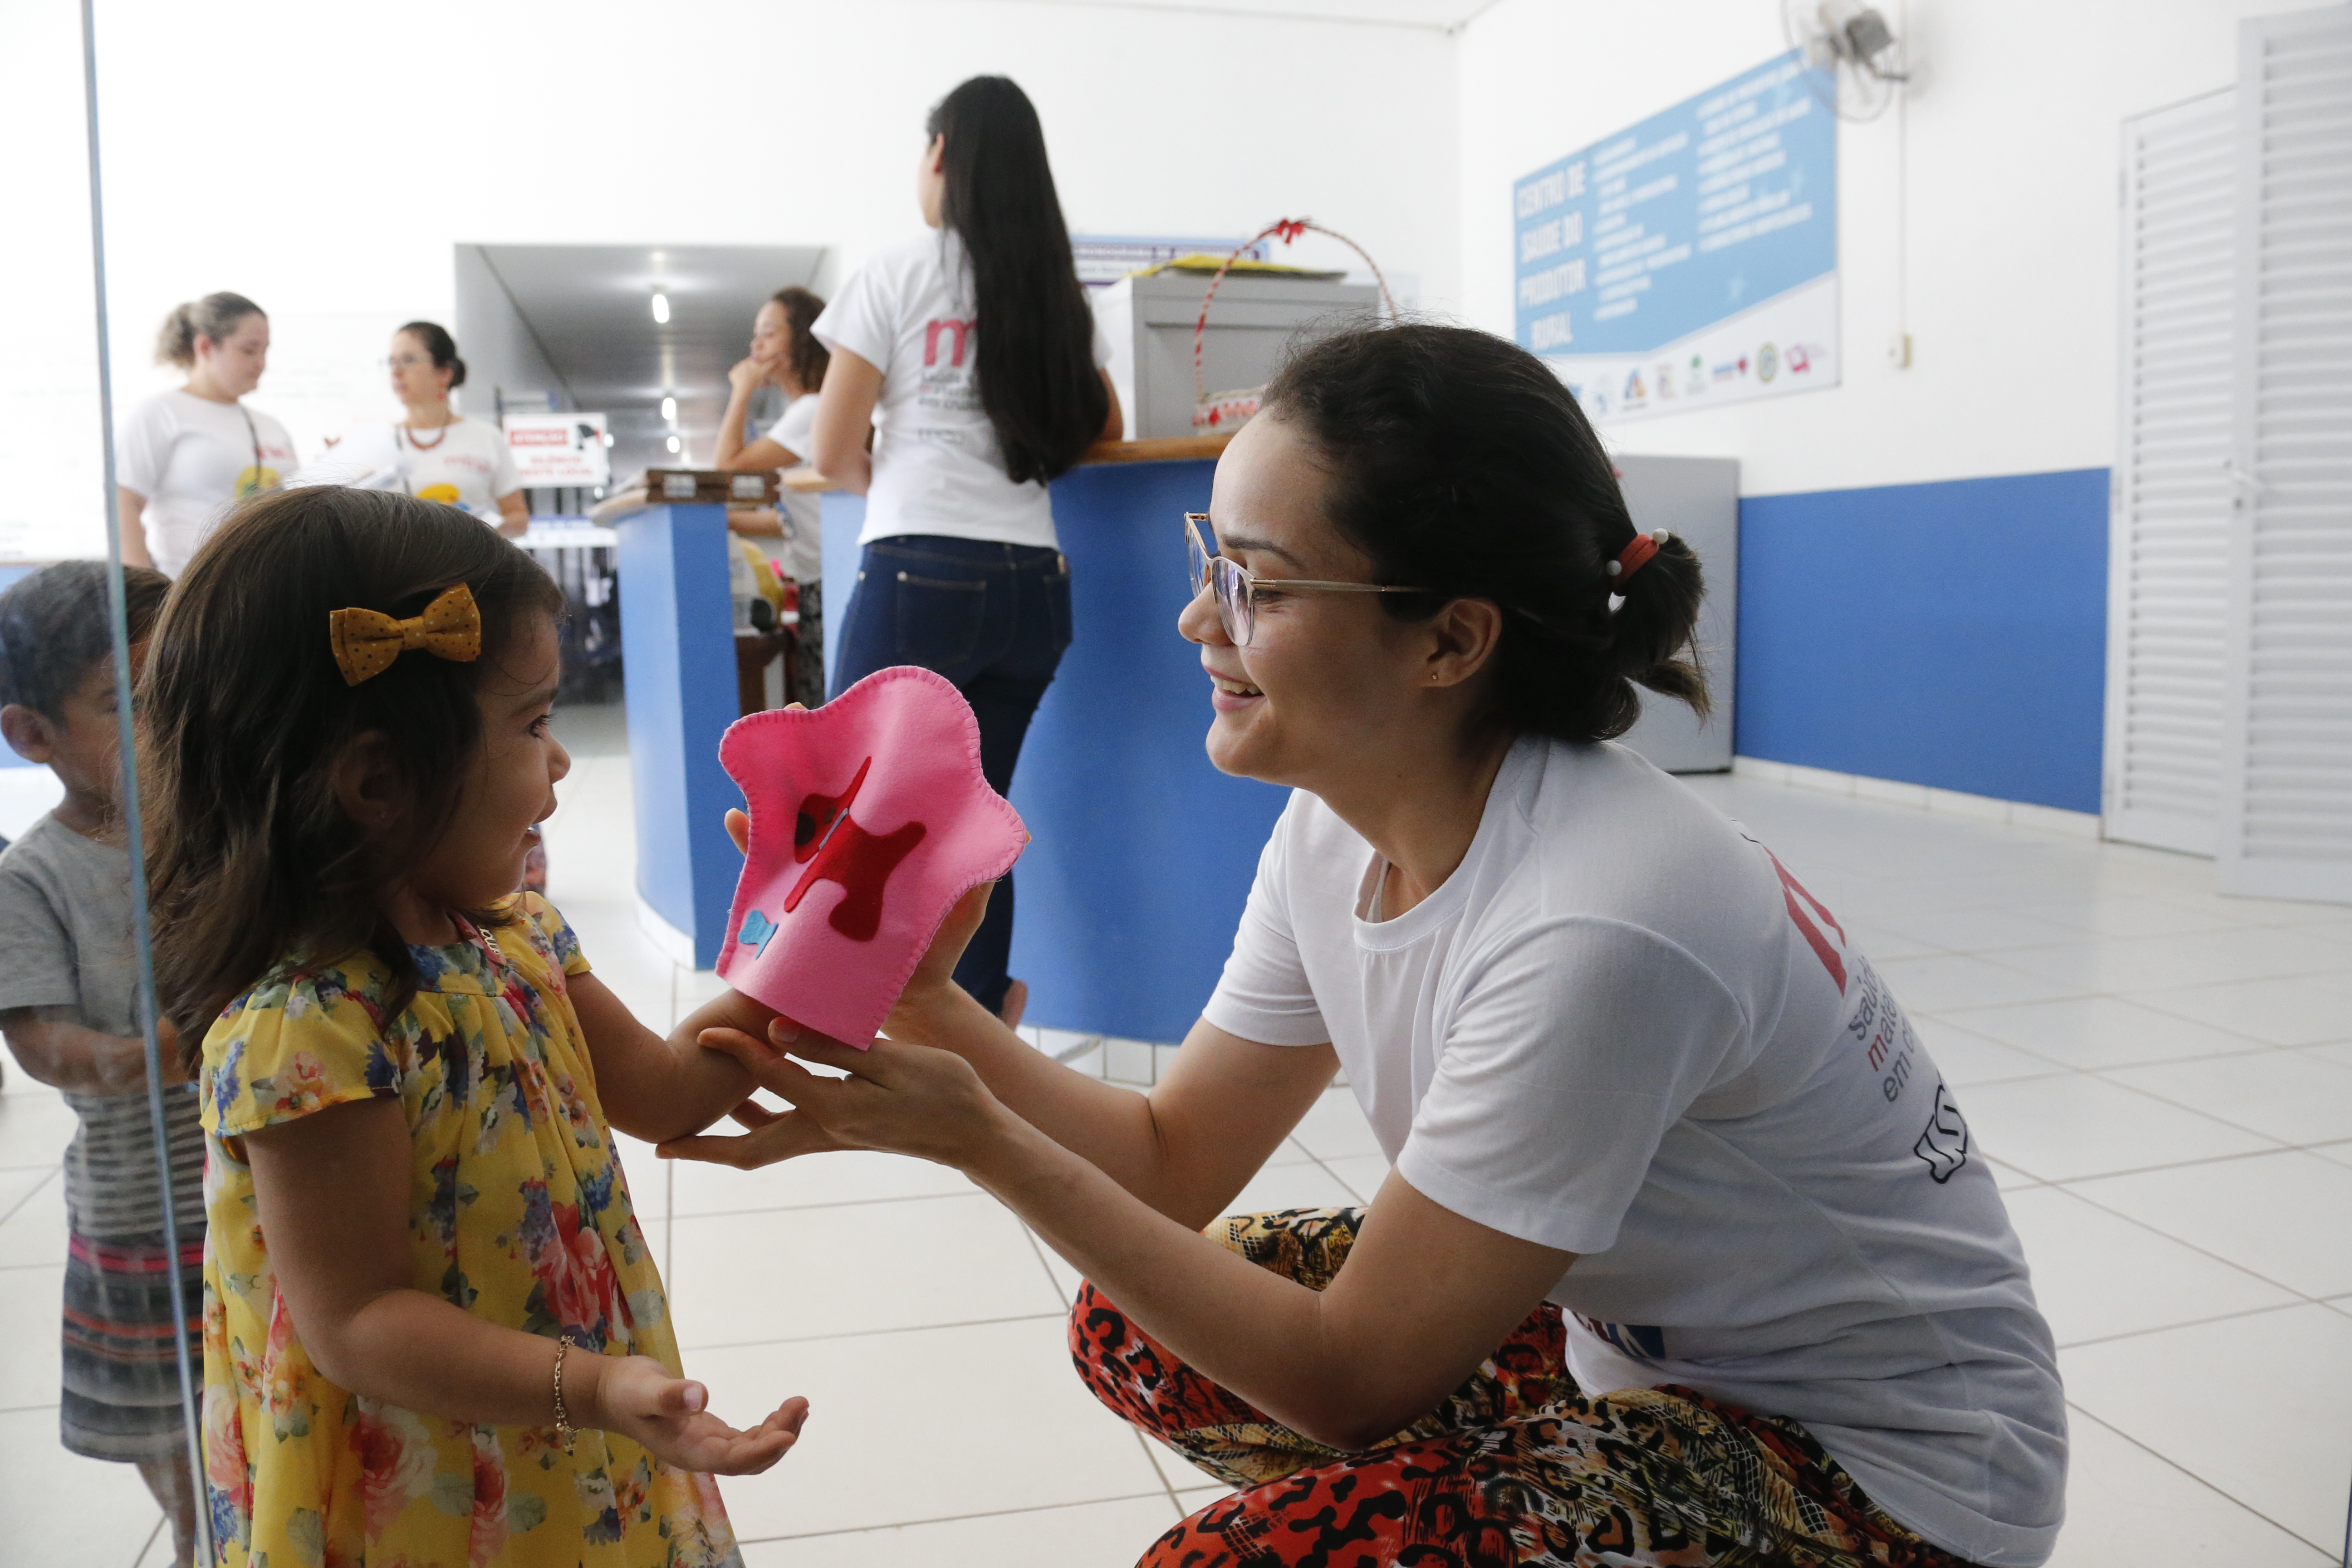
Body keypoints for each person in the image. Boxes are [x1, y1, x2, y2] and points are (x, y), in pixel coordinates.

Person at [667, 325, 2068, 1568]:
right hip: (1645, 1353)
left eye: (1256, 584)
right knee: (1137, 1326)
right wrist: (929, 1006)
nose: (1195, 617)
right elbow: (1176, 1160)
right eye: (1204, 560)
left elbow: (1353, 1384)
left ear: (1451, 640)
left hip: (1886, 1477)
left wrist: (978, 1136)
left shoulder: (1605, 920)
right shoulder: (1342, 825)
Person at [140, 487, 808, 1566]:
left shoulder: (515, 934)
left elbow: (672, 1087)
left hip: (568, 1433)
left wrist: (819, 942)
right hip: (425, 1487)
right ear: (376, 780)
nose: (560, 761)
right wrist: (592, 1383)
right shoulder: (304, 1029)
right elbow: (356, 1319)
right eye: (535, 721)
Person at [808, 75, 1122, 1029]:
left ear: (940, 153)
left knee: (860, 802)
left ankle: (835, 1008)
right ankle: (975, 1022)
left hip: (919, 575)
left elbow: (829, 449)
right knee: (973, 817)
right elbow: (1100, 431)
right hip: (1035, 584)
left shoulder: (898, 272)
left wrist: (905, 485)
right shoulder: (1053, 291)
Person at [0, 562, 202, 1567]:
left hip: (269, 1174)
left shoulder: (221, 826)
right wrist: (162, 1048)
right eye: (125, 703)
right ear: (31, 735)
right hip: (142, 1206)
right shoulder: (34, 875)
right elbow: (41, 1045)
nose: (165, 723)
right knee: (172, 1425)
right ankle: (202, 1537)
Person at [117, 293, 298, 576]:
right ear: (206, 347)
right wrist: (144, 596)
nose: (261, 363)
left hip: (268, 588)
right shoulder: (160, 414)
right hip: (189, 590)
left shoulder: (271, 427)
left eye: (265, 351)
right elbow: (123, 502)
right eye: (249, 350)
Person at [716, 286, 832, 708]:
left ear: (801, 338)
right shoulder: (806, 410)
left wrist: (742, 389)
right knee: (818, 694)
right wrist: (725, 521)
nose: (755, 345)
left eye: (768, 333)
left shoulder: (813, 409)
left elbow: (727, 469)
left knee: (822, 699)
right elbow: (793, 519)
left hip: (827, 578)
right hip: (819, 577)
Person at [302, 322, 530, 536]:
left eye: (408, 360)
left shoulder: (485, 437)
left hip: (469, 570)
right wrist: (336, 474)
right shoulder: (374, 442)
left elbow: (519, 520)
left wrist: (472, 530)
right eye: (392, 362)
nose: (396, 372)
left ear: (445, 372)